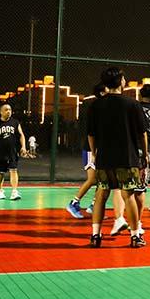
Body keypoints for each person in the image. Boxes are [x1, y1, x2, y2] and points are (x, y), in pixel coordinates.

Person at [86, 67, 149, 248]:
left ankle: (95, 236)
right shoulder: (132, 104)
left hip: (104, 158)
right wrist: (145, 154)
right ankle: (135, 237)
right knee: (128, 196)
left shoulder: (96, 105)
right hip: (127, 157)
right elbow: (142, 133)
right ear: (121, 81)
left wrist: (95, 153)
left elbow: (91, 134)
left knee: (101, 195)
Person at [109, 83, 150, 235]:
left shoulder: (131, 107)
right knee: (139, 190)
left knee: (121, 188)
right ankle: (137, 224)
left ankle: (119, 219)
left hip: (124, 151)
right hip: (142, 153)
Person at [66, 83, 107, 219]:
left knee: (103, 180)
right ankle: (73, 203)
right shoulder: (96, 107)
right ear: (102, 93)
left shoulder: (105, 107)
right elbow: (91, 133)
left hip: (100, 148)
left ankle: (94, 206)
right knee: (93, 179)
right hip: (91, 149)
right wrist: (94, 152)